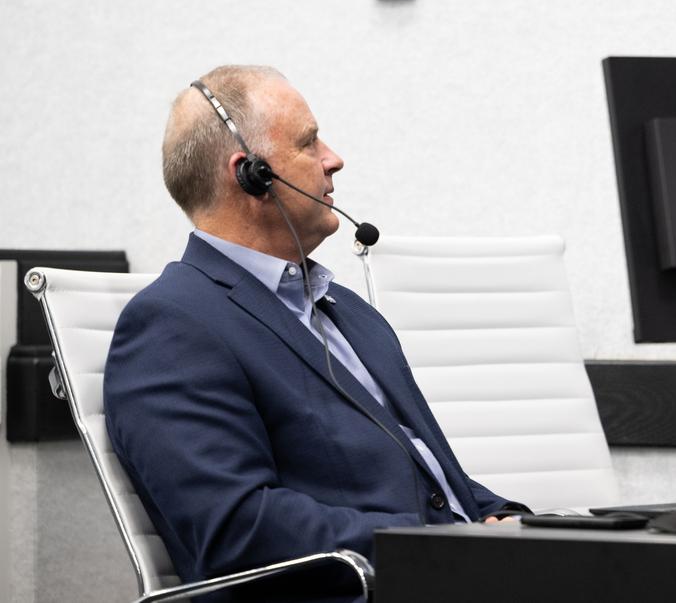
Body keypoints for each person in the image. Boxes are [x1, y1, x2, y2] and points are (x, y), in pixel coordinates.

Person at [104, 65, 527, 603]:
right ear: (251, 174)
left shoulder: (348, 312)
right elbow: (239, 527)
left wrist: (516, 526)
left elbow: (434, 483)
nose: (334, 159)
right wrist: (448, 544)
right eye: (309, 143)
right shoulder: (171, 325)